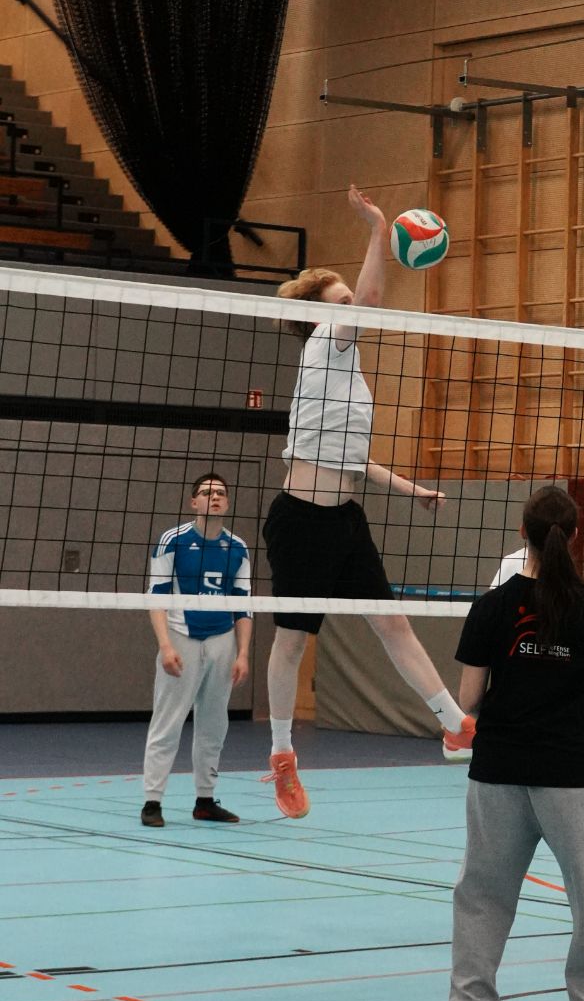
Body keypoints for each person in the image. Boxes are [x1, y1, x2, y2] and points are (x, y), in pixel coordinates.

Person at [262, 185, 474, 818]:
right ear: (320, 316)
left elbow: (353, 460)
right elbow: (375, 297)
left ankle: (456, 726)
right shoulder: (328, 343)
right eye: (343, 302)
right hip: (302, 522)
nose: (354, 306)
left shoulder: (343, 372)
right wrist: (379, 228)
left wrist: (413, 491)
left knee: (393, 623)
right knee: (293, 643)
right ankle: (282, 754)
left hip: (345, 518)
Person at [434, 485, 584, 1001]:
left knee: (482, 896)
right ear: (575, 538)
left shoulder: (492, 607)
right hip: (575, 774)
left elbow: (469, 698)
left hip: (499, 770)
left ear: (523, 534)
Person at [141, 472, 250, 827]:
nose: (214, 497)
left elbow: (244, 605)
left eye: (220, 493)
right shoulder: (172, 541)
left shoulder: (238, 548)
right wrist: (165, 646)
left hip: (222, 640)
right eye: (206, 492)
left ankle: (205, 800)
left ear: (227, 502)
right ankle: (152, 802)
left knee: (214, 724)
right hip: (181, 636)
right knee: (168, 721)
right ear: (193, 502)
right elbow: (156, 597)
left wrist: (243, 653)